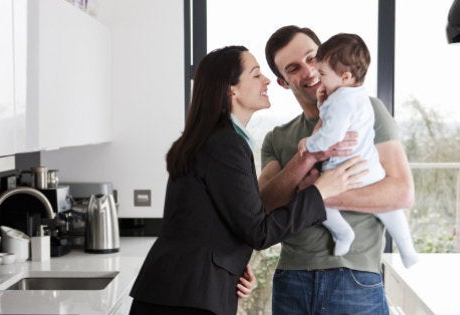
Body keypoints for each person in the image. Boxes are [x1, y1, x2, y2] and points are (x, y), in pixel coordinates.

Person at [129, 45, 368, 315]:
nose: (266, 80)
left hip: (181, 291)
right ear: (232, 90)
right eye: (256, 75)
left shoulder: (213, 138)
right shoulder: (225, 144)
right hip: (187, 297)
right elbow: (259, 231)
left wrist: (232, 264)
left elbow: (208, 220)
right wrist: (319, 193)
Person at [261, 26, 415, 314]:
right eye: (293, 68)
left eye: (311, 58)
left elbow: (402, 192)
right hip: (291, 279)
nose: (308, 72)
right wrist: (307, 158)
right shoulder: (277, 137)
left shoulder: (367, 110)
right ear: (283, 82)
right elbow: (264, 205)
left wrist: (320, 195)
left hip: (354, 278)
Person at [297, 33, 419, 267]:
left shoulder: (340, 100)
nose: (319, 79)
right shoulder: (358, 95)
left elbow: (331, 136)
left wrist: (308, 144)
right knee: (391, 211)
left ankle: (343, 233)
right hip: (368, 167)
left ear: (345, 76)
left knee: (318, 200)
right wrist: (325, 106)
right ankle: (407, 249)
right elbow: (342, 120)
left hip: (344, 171)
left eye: (322, 74)